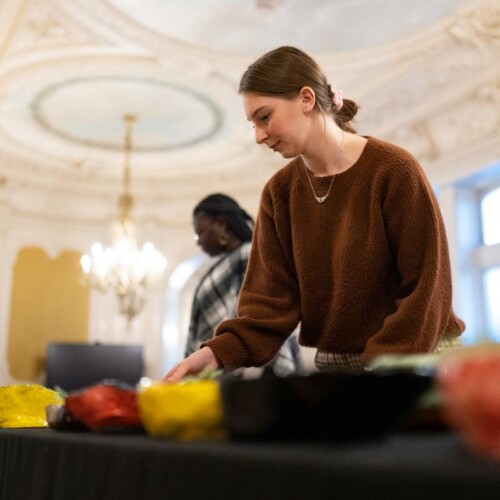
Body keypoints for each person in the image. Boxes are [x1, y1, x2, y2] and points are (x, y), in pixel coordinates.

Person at [165, 46, 465, 382]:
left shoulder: (394, 170)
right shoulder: (278, 194)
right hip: (341, 369)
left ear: (306, 99)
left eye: (264, 117)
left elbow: (426, 290)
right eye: (252, 124)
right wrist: (214, 353)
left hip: (418, 360)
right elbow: (267, 309)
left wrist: (381, 371)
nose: (259, 136)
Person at [185, 193, 304, 377]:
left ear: (222, 224)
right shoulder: (223, 265)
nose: (199, 242)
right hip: (225, 374)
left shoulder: (249, 254)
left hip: (252, 379)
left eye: (200, 233)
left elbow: (258, 320)